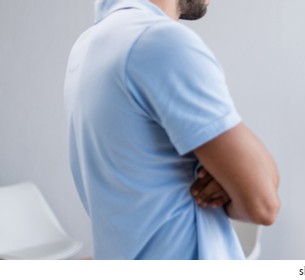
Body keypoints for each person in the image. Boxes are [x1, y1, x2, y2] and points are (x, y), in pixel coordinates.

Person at [63, 0, 280, 259]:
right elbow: (263, 204)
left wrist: (235, 180)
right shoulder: (160, 42)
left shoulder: (89, 45)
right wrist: (236, 180)